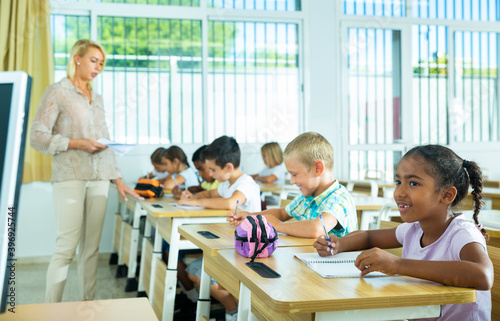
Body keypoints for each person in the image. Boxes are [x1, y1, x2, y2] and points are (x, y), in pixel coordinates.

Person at [313, 145, 493, 321]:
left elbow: (483, 275)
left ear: (447, 195)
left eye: (413, 183)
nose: (399, 192)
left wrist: (398, 265)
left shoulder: (462, 233)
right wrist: (340, 244)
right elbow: (368, 237)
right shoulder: (414, 229)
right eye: (398, 182)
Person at [29, 39, 142, 303]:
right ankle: (51, 309)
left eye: (102, 63)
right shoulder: (57, 92)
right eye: (94, 60)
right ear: (77, 58)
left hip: (100, 178)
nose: (98, 67)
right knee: (66, 249)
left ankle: (87, 308)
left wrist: (118, 179)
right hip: (70, 176)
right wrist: (76, 143)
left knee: (91, 250)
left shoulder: (97, 98)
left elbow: (105, 140)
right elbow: (37, 137)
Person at [179, 135, 261, 321]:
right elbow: (209, 192)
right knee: (194, 270)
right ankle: (235, 309)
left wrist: (195, 204)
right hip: (229, 245)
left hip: (248, 250)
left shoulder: (245, 184)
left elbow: (231, 202)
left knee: (199, 273)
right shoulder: (227, 184)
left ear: (229, 167)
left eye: (213, 170)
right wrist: (193, 197)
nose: (212, 174)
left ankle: (236, 311)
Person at [228, 132, 358, 239]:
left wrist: (278, 225)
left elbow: (316, 229)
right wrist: (251, 216)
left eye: (294, 174)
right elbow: (281, 213)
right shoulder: (307, 197)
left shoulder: (338, 199)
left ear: (318, 168)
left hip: (333, 267)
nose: (291, 181)